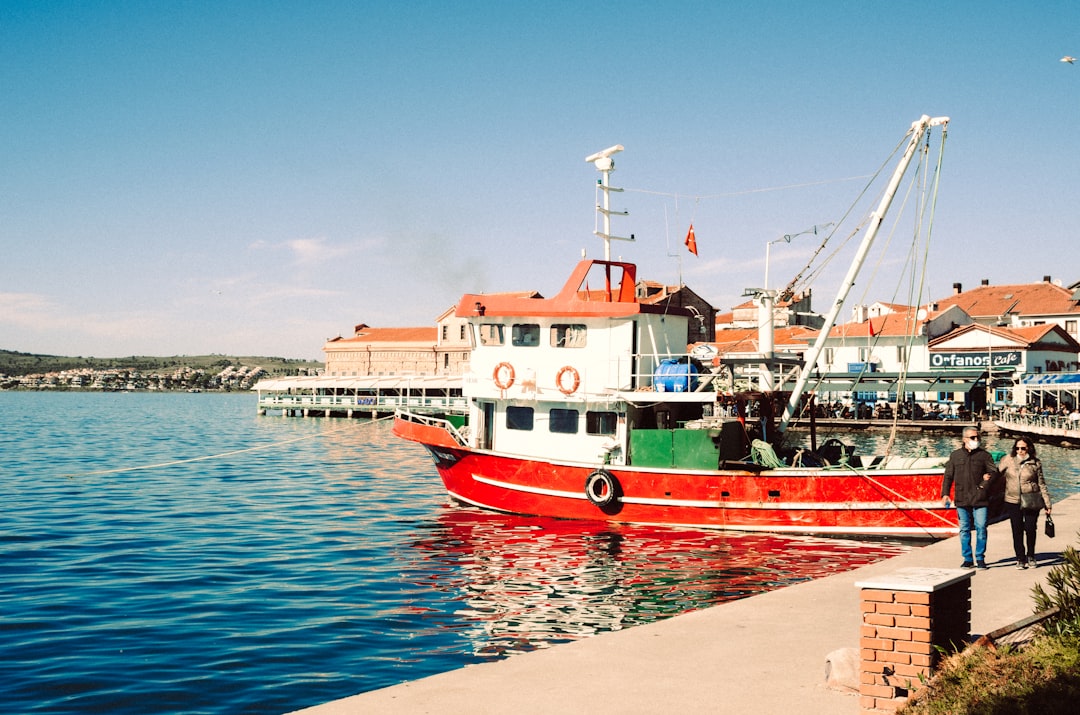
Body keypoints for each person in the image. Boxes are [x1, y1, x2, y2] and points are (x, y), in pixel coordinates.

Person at [941, 427, 1000, 569]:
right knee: (964, 529)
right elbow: (948, 476)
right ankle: (967, 558)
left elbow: (994, 472)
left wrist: (984, 483)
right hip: (962, 498)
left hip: (980, 498)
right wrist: (945, 494)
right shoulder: (955, 456)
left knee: (981, 528)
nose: (976, 440)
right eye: (973, 437)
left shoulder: (984, 455)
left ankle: (980, 558)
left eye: (978, 437)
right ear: (964, 439)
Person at [999, 438, 1053, 569]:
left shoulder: (1035, 463)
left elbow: (1042, 483)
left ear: (1029, 448)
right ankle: (1020, 558)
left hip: (1031, 499)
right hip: (1012, 500)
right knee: (1016, 529)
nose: (1020, 451)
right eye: (1017, 448)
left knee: (1030, 528)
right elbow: (996, 474)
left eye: (1023, 448)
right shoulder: (1008, 460)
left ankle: (1031, 555)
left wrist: (1047, 504)